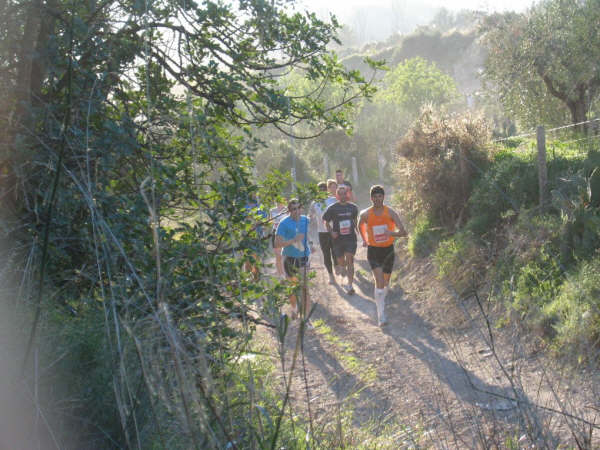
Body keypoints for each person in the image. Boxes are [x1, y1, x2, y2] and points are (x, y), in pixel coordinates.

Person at [358, 185, 407, 326]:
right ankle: (381, 315)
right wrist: (365, 239)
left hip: (388, 251)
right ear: (371, 198)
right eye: (375, 197)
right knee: (379, 281)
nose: (378, 199)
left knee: (385, 283)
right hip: (373, 251)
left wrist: (391, 233)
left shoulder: (390, 212)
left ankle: (381, 302)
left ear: (383, 197)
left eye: (380, 196)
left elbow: (403, 232)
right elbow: (359, 225)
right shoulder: (366, 214)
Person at [274, 199, 311, 321]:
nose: (296, 211)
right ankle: (294, 308)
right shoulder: (284, 223)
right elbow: (277, 243)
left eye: (298, 208)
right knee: (293, 288)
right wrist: (293, 240)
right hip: (289, 259)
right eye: (293, 209)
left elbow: (306, 235)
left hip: (304, 257)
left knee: (305, 288)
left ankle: (306, 318)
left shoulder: (306, 220)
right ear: (289, 211)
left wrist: (310, 244)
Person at [323, 185, 359, 295]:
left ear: (347, 194)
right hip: (338, 239)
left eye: (345, 193)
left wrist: (359, 231)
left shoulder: (353, 207)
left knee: (350, 260)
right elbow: (325, 221)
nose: (343, 195)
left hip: (350, 238)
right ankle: (342, 268)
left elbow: (355, 220)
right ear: (337, 195)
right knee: (340, 261)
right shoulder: (332, 208)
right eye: (341, 194)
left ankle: (350, 285)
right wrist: (331, 232)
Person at [309, 181, 337, 284]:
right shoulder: (314, 203)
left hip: (333, 230)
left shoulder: (333, 200)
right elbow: (310, 215)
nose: (321, 192)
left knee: (335, 251)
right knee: (326, 254)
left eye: (323, 190)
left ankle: (337, 265)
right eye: (319, 190)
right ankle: (331, 275)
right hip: (321, 232)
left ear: (326, 190)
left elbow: (338, 213)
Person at [270, 201, 287, 278]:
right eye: (277, 200)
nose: (278, 202)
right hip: (275, 232)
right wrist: (275, 223)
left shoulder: (287, 209)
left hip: (285, 232)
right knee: (277, 255)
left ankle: (286, 272)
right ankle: (280, 274)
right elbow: (270, 221)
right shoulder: (272, 210)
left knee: (285, 254)